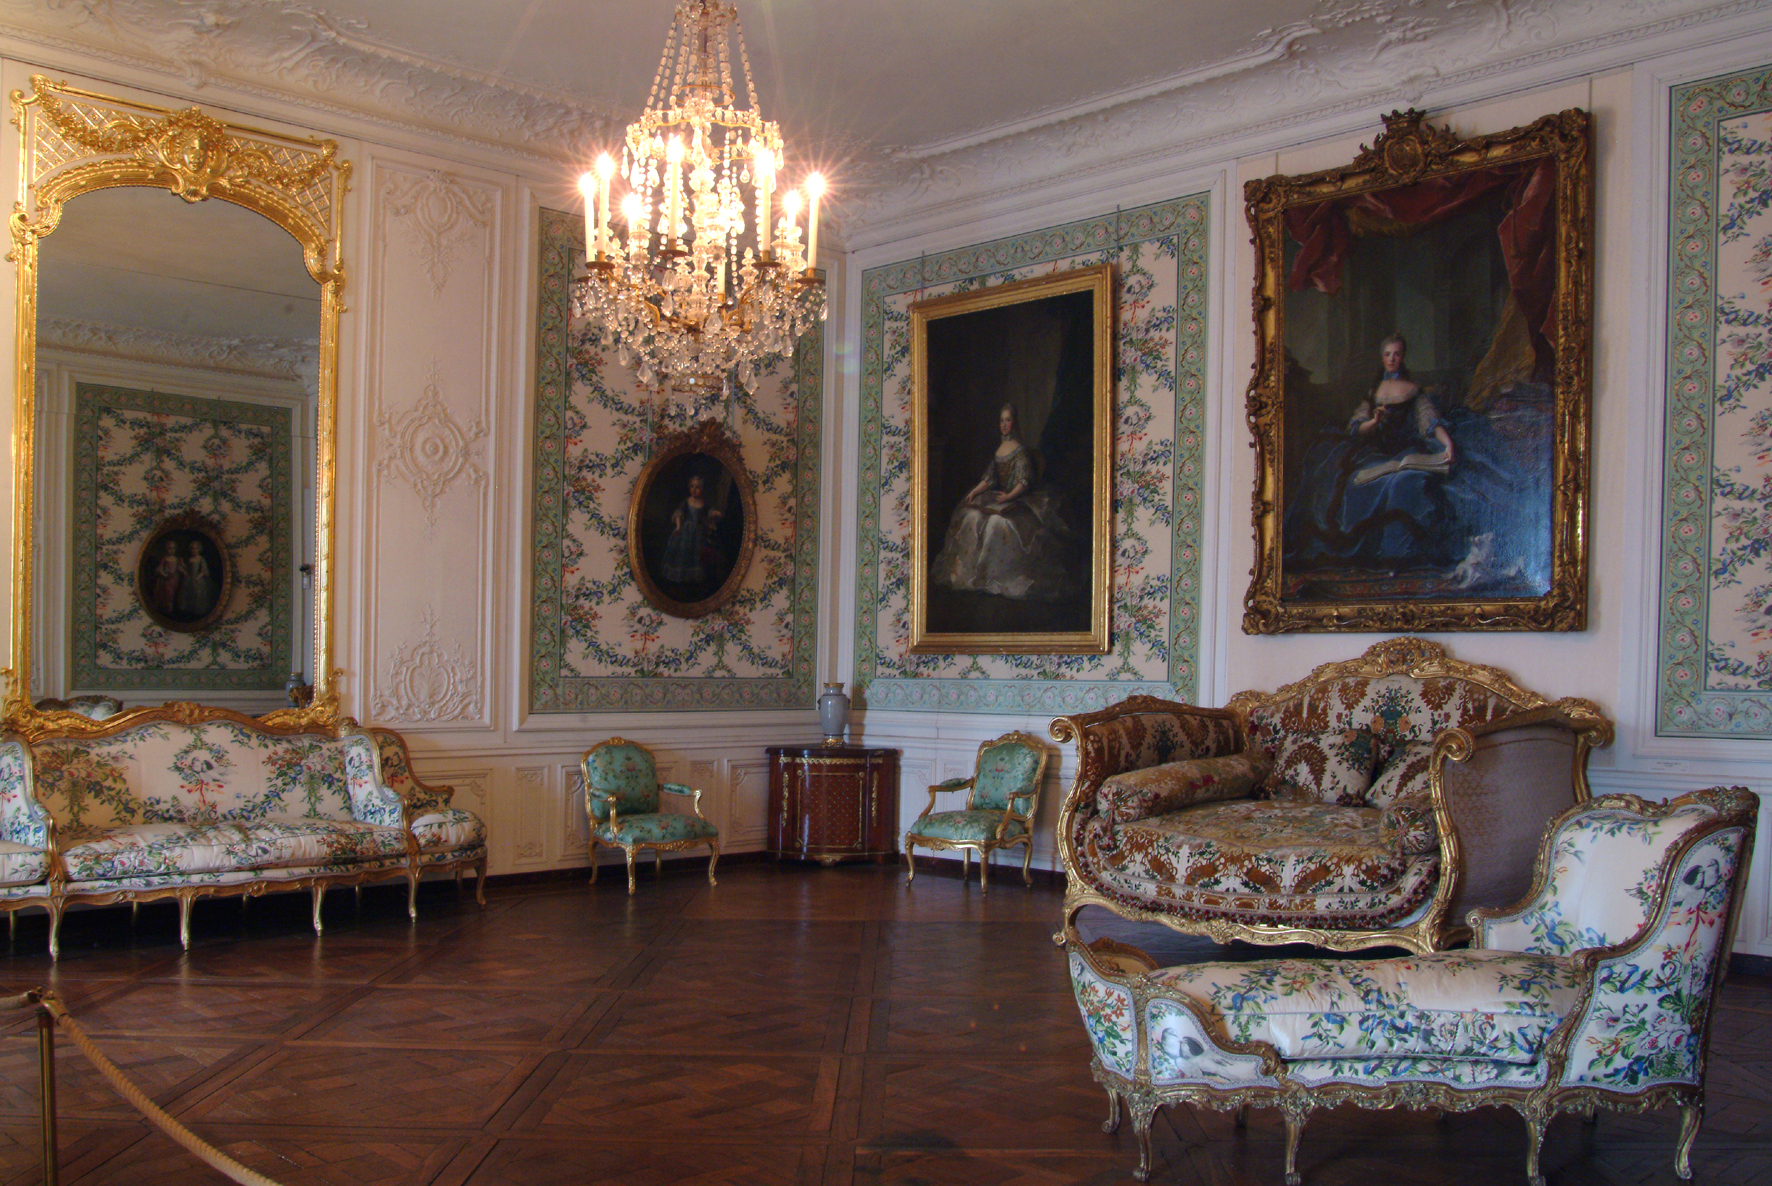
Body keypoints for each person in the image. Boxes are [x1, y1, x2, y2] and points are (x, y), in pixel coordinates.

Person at [930, 403, 1072, 602]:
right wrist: (975, 492)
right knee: (971, 517)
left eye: (1008, 420)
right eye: (1002, 420)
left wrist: (1008, 497)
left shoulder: (1020, 451)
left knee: (996, 524)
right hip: (1000, 498)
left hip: (1019, 500)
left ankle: (992, 577)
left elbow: (1024, 482)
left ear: (1014, 422)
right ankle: (969, 575)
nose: (1004, 424)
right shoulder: (999, 451)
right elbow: (990, 478)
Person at [661, 473, 724, 587]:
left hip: (698, 533)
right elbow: (679, 513)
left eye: (697, 487)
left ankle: (692, 580)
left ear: (702, 489)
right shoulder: (686, 502)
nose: (694, 489)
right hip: (685, 531)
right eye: (692, 486)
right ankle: (680, 578)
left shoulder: (703, 503)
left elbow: (709, 512)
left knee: (696, 555)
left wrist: (715, 513)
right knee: (683, 553)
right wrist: (678, 527)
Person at [178, 540, 215, 618]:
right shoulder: (190, 559)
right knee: (188, 593)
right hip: (189, 579)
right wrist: (182, 564)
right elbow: (188, 568)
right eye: (192, 548)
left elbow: (204, 570)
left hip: (198, 579)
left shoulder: (201, 559)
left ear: (199, 549)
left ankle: (197, 612)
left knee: (197, 594)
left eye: (196, 548)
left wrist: (198, 577)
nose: (194, 550)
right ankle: (188, 611)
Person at [150, 539, 183, 615]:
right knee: (168, 593)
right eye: (170, 548)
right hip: (167, 579)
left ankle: (172, 608)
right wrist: (164, 575)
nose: (172, 550)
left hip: (175, 579)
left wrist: (183, 571)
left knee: (174, 593)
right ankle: (168, 608)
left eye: (173, 548)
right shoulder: (165, 558)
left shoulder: (176, 559)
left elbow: (178, 567)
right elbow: (160, 568)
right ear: (166, 549)